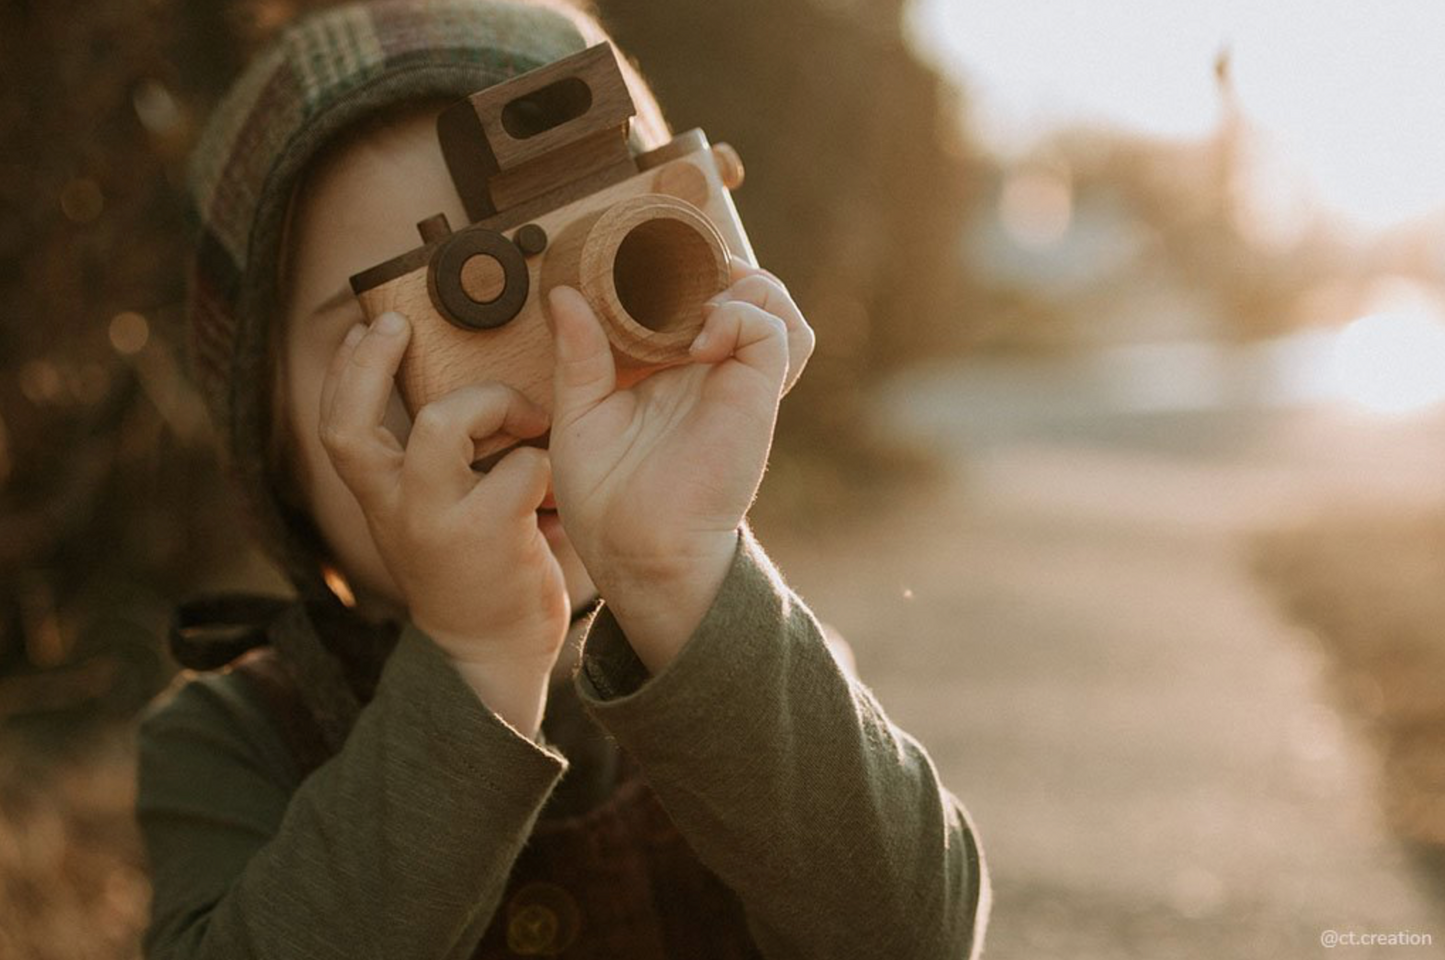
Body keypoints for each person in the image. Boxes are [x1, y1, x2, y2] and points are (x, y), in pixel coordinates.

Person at [136, 1, 988, 957]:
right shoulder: (229, 739)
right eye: (397, 328)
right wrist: (472, 662)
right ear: (272, 442)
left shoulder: (736, 667)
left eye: (588, 283)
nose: (518, 393)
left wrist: (677, 571)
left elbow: (913, 937)